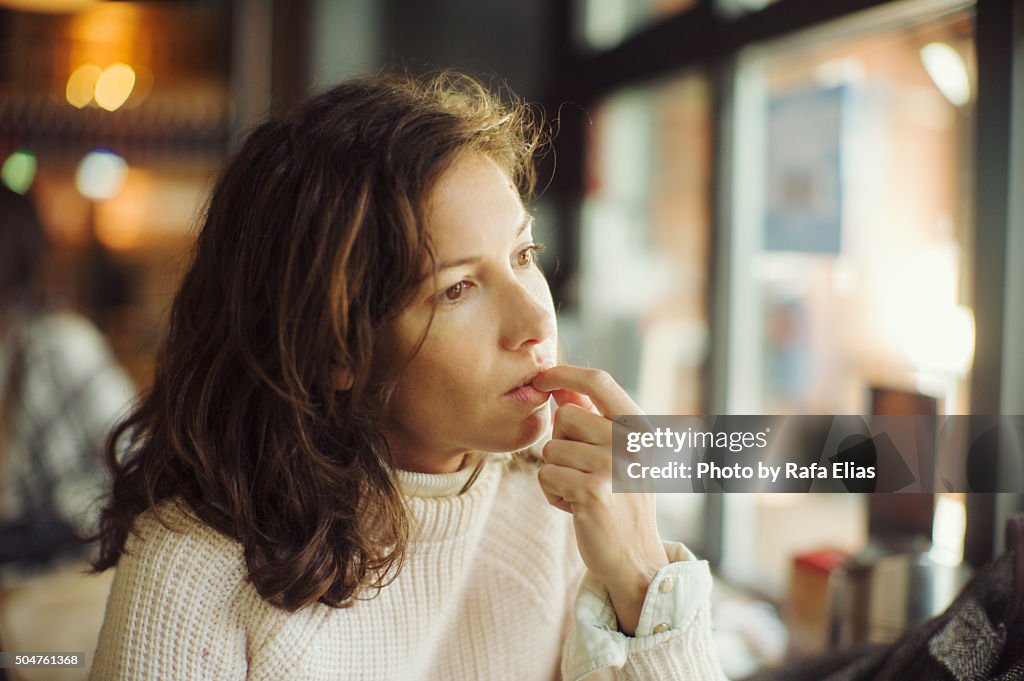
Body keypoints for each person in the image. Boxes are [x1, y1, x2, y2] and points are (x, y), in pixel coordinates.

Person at [88, 71, 727, 681]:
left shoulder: (556, 498)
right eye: (458, 289)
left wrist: (644, 581)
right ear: (334, 347)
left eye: (524, 254)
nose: (536, 318)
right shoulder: (190, 569)